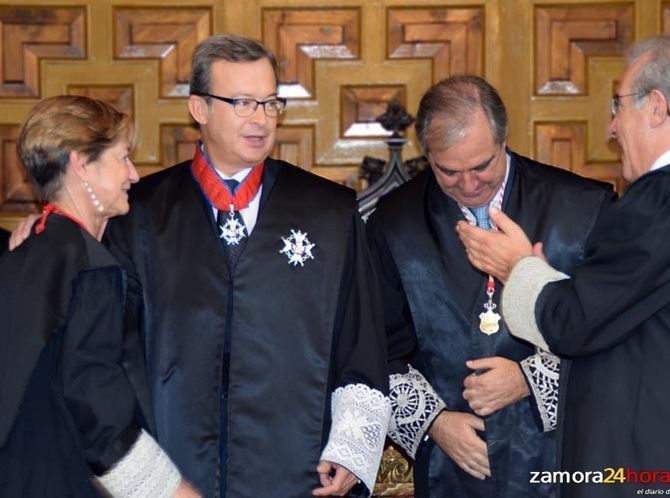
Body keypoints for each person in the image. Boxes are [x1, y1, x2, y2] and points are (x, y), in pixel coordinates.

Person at [100, 34, 389, 498]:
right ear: (199, 108)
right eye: (242, 102)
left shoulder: (329, 212)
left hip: (296, 473)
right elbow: (108, 354)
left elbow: (362, 342)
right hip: (172, 476)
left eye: (271, 103)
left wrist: (350, 449)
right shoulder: (139, 215)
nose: (261, 119)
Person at [457, 33, 670, 497]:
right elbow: (629, 307)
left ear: (657, 107)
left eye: (618, 105)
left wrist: (517, 267)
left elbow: (577, 323)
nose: (611, 127)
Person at [366, 75, 615, 498]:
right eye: (448, 171)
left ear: (504, 139)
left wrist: (530, 379)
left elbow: (618, 332)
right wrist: (434, 424)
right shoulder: (392, 222)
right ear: (426, 154)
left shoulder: (585, 209)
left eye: (481, 165)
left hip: (563, 458)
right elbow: (373, 348)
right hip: (451, 468)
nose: (468, 185)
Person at [0, 95, 198, 497]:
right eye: (122, 157)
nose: (134, 174)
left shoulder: (27, 250)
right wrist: (171, 491)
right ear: (80, 164)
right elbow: (94, 400)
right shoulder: (91, 268)